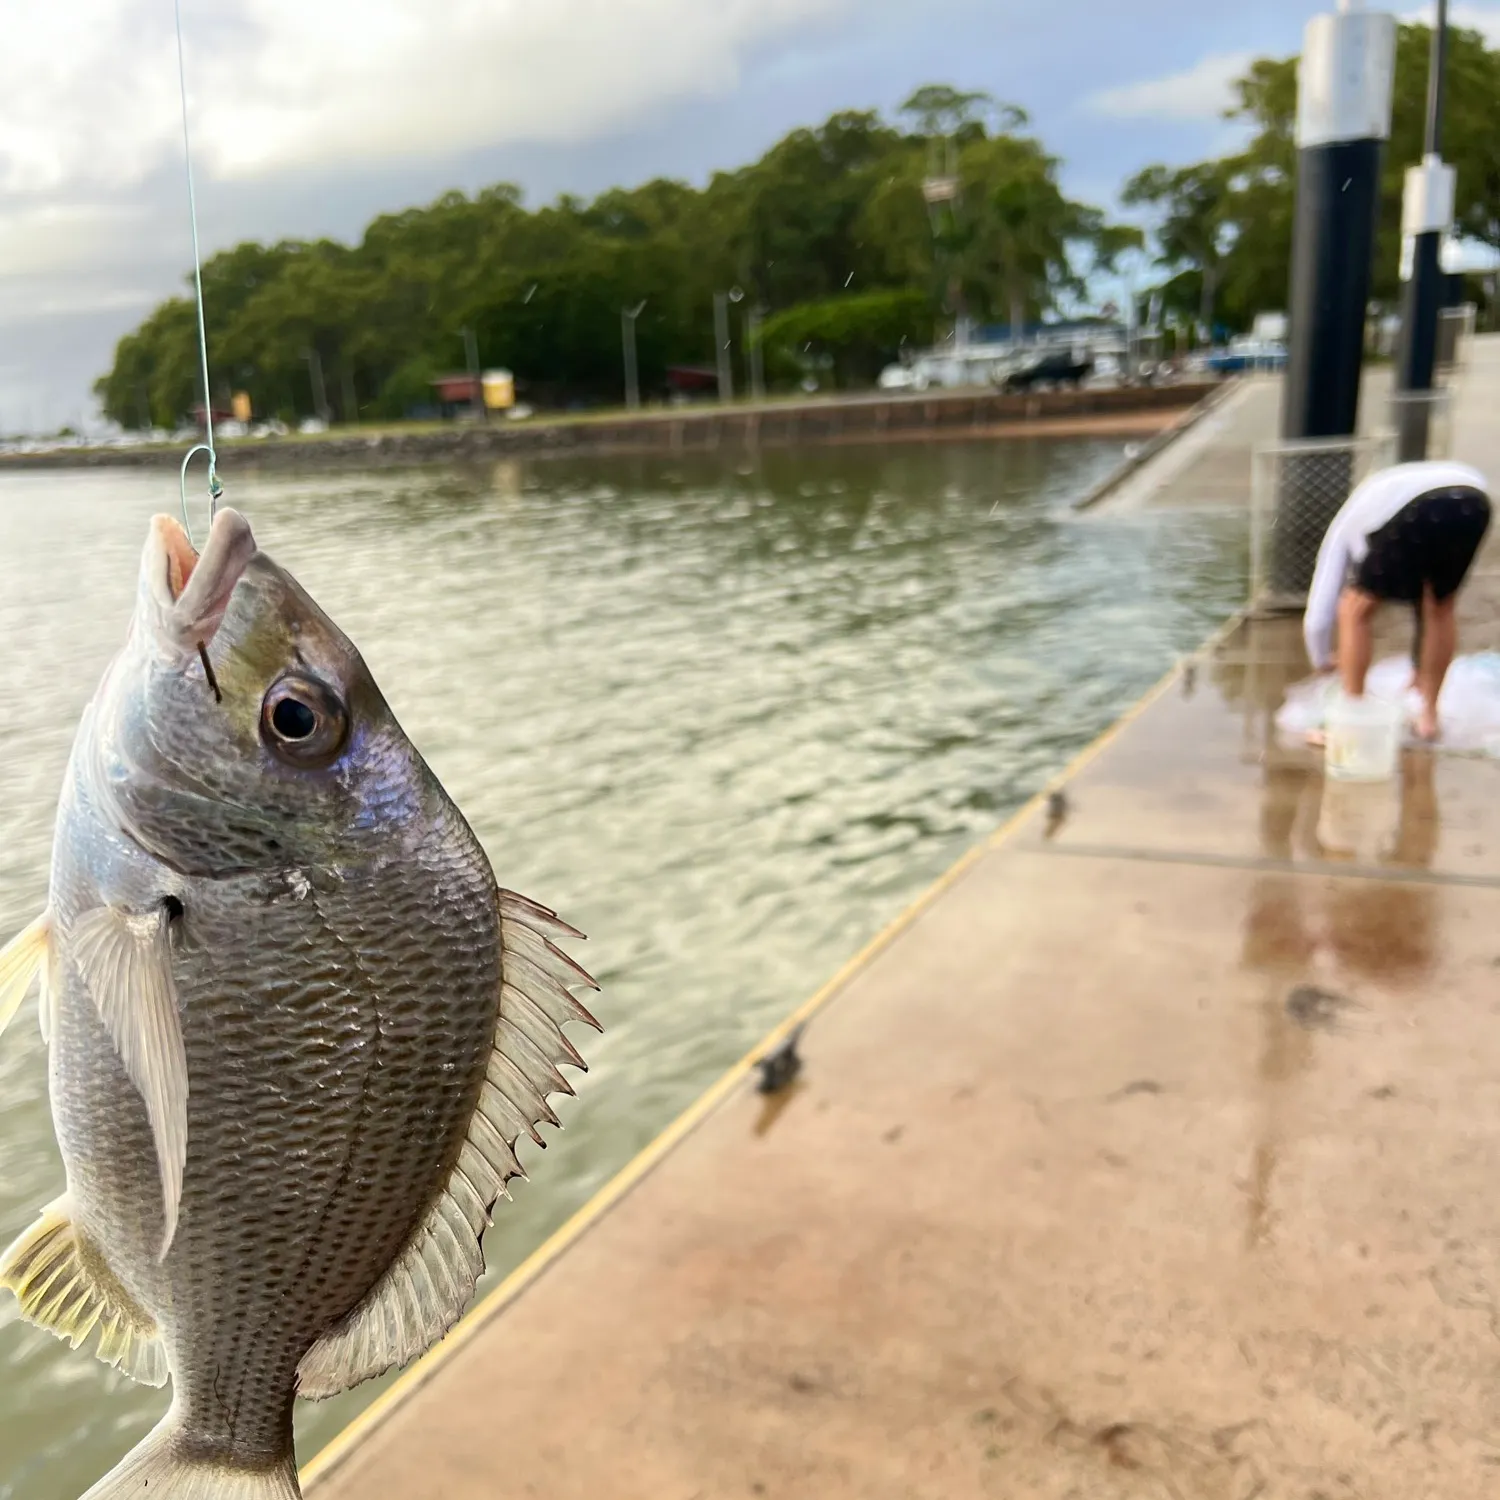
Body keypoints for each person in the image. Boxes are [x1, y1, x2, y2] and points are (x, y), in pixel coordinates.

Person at [1303, 459, 1491, 742]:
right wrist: (1417, 666)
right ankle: (1428, 718)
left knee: (1354, 608)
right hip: (1475, 501)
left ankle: (1350, 721)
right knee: (1440, 605)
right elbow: (1422, 611)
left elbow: (1320, 612)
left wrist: (1321, 661)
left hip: (1420, 505)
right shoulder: (1379, 510)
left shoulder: (1345, 530)